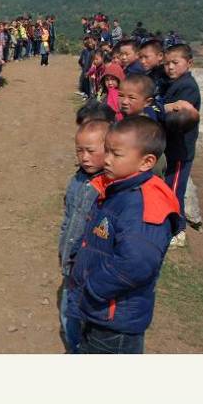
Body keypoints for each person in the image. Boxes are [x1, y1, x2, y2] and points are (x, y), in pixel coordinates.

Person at [70, 116, 180, 354]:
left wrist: (93, 288)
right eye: (107, 150)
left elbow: (137, 263)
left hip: (114, 323)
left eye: (116, 154)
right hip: (100, 311)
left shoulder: (144, 205)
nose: (107, 159)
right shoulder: (119, 188)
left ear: (146, 162)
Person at [59, 120, 109, 353]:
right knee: (68, 311)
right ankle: (74, 347)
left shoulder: (110, 187)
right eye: (79, 151)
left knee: (90, 317)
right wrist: (63, 251)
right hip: (71, 263)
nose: (84, 157)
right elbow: (68, 218)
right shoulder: (77, 180)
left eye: (91, 151)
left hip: (93, 268)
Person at [161, 44, 202, 248]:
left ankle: (178, 231)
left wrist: (158, 111)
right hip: (171, 147)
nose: (170, 67)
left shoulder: (187, 87)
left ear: (189, 63)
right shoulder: (173, 83)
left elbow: (176, 118)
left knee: (174, 190)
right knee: (168, 187)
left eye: (175, 63)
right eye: (167, 63)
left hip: (179, 150)